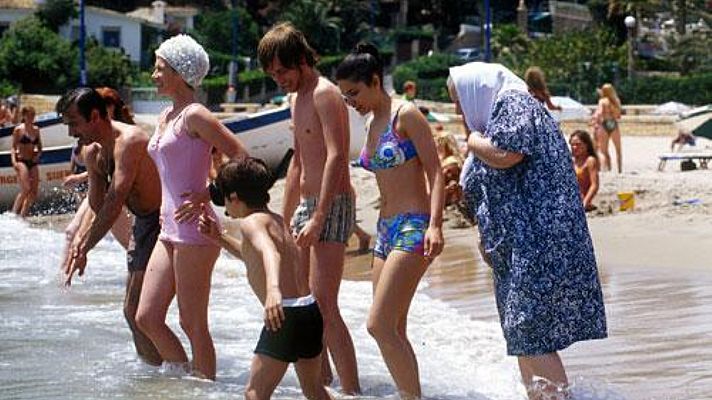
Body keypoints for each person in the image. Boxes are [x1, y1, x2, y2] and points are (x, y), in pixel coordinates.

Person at [448, 62, 607, 399]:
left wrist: (473, 141)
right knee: (520, 333)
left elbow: (508, 154)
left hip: (535, 243)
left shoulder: (513, 103)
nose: (457, 109)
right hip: (517, 246)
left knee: (530, 331)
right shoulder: (498, 113)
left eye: (459, 100)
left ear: (476, 90)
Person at [134, 34, 247, 381]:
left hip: (195, 228)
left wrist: (208, 192)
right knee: (147, 317)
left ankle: (205, 388)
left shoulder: (196, 115)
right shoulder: (166, 115)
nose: (154, 75)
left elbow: (242, 158)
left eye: (160, 68)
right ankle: (184, 384)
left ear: (181, 72)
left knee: (192, 322)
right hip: (167, 227)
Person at [336, 43, 445, 399]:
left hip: (414, 225)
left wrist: (435, 224)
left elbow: (436, 171)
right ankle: (409, 393)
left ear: (375, 80)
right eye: (345, 96)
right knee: (394, 327)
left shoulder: (407, 114)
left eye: (354, 92)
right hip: (385, 231)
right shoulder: (370, 124)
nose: (351, 102)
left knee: (377, 325)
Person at [257, 22, 360, 394]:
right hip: (306, 203)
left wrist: (318, 217)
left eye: (282, 71)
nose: (278, 79)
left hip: (331, 204)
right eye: (272, 74)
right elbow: (298, 161)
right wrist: (284, 220)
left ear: (301, 60)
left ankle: (352, 389)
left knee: (324, 306)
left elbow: (337, 157)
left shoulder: (324, 94)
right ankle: (323, 380)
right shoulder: (295, 98)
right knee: (302, 299)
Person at [198, 157, 333, 400]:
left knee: (254, 393)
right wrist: (218, 237)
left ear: (235, 197)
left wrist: (273, 291)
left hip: (286, 315)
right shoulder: (276, 219)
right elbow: (256, 257)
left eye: (225, 200)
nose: (226, 209)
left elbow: (270, 253)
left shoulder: (250, 223)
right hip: (308, 310)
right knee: (314, 390)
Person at [58, 87, 163, 367]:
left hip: (166, 221)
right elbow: (98, 203)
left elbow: (115, 201)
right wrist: (80, 243)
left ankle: (180, 376)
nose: (71, 133)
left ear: (94, 116)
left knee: (143, 313)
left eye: (73, 124)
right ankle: (155, 377)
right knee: (133, 312)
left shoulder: (130, 141)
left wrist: (84, 247)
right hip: (144, 225)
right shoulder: (93, 151)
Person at [11, 106, 42, 217]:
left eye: (32, 115)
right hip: (21, 160)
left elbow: (40, 147)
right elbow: (13, 148)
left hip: (32, 161)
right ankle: (14, 213)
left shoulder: (36, 129)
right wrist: (14, 162)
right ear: (23, 116)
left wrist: (38, 155)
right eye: (28, 115)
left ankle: (23, 215)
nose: (31, 117)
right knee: (26, 188)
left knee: (34, 192)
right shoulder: (18, 130)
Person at [592, 83, 622, 173]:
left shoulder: (602, 101)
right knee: (618, 150)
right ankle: (619, 170)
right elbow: (618, 116)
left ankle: (606, 169)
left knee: (603, 150)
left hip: (604, 124)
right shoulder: (616, 101)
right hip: (613, 123)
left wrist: (595, 120)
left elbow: (600, 113)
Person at [569, 130, 599, 212]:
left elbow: (594, 185)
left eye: (578, 144)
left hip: (582, 202)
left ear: (586, 145)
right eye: (572, 145)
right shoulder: (570, 161)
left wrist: (585, 203)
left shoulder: (590, 161)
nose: (574, 147)